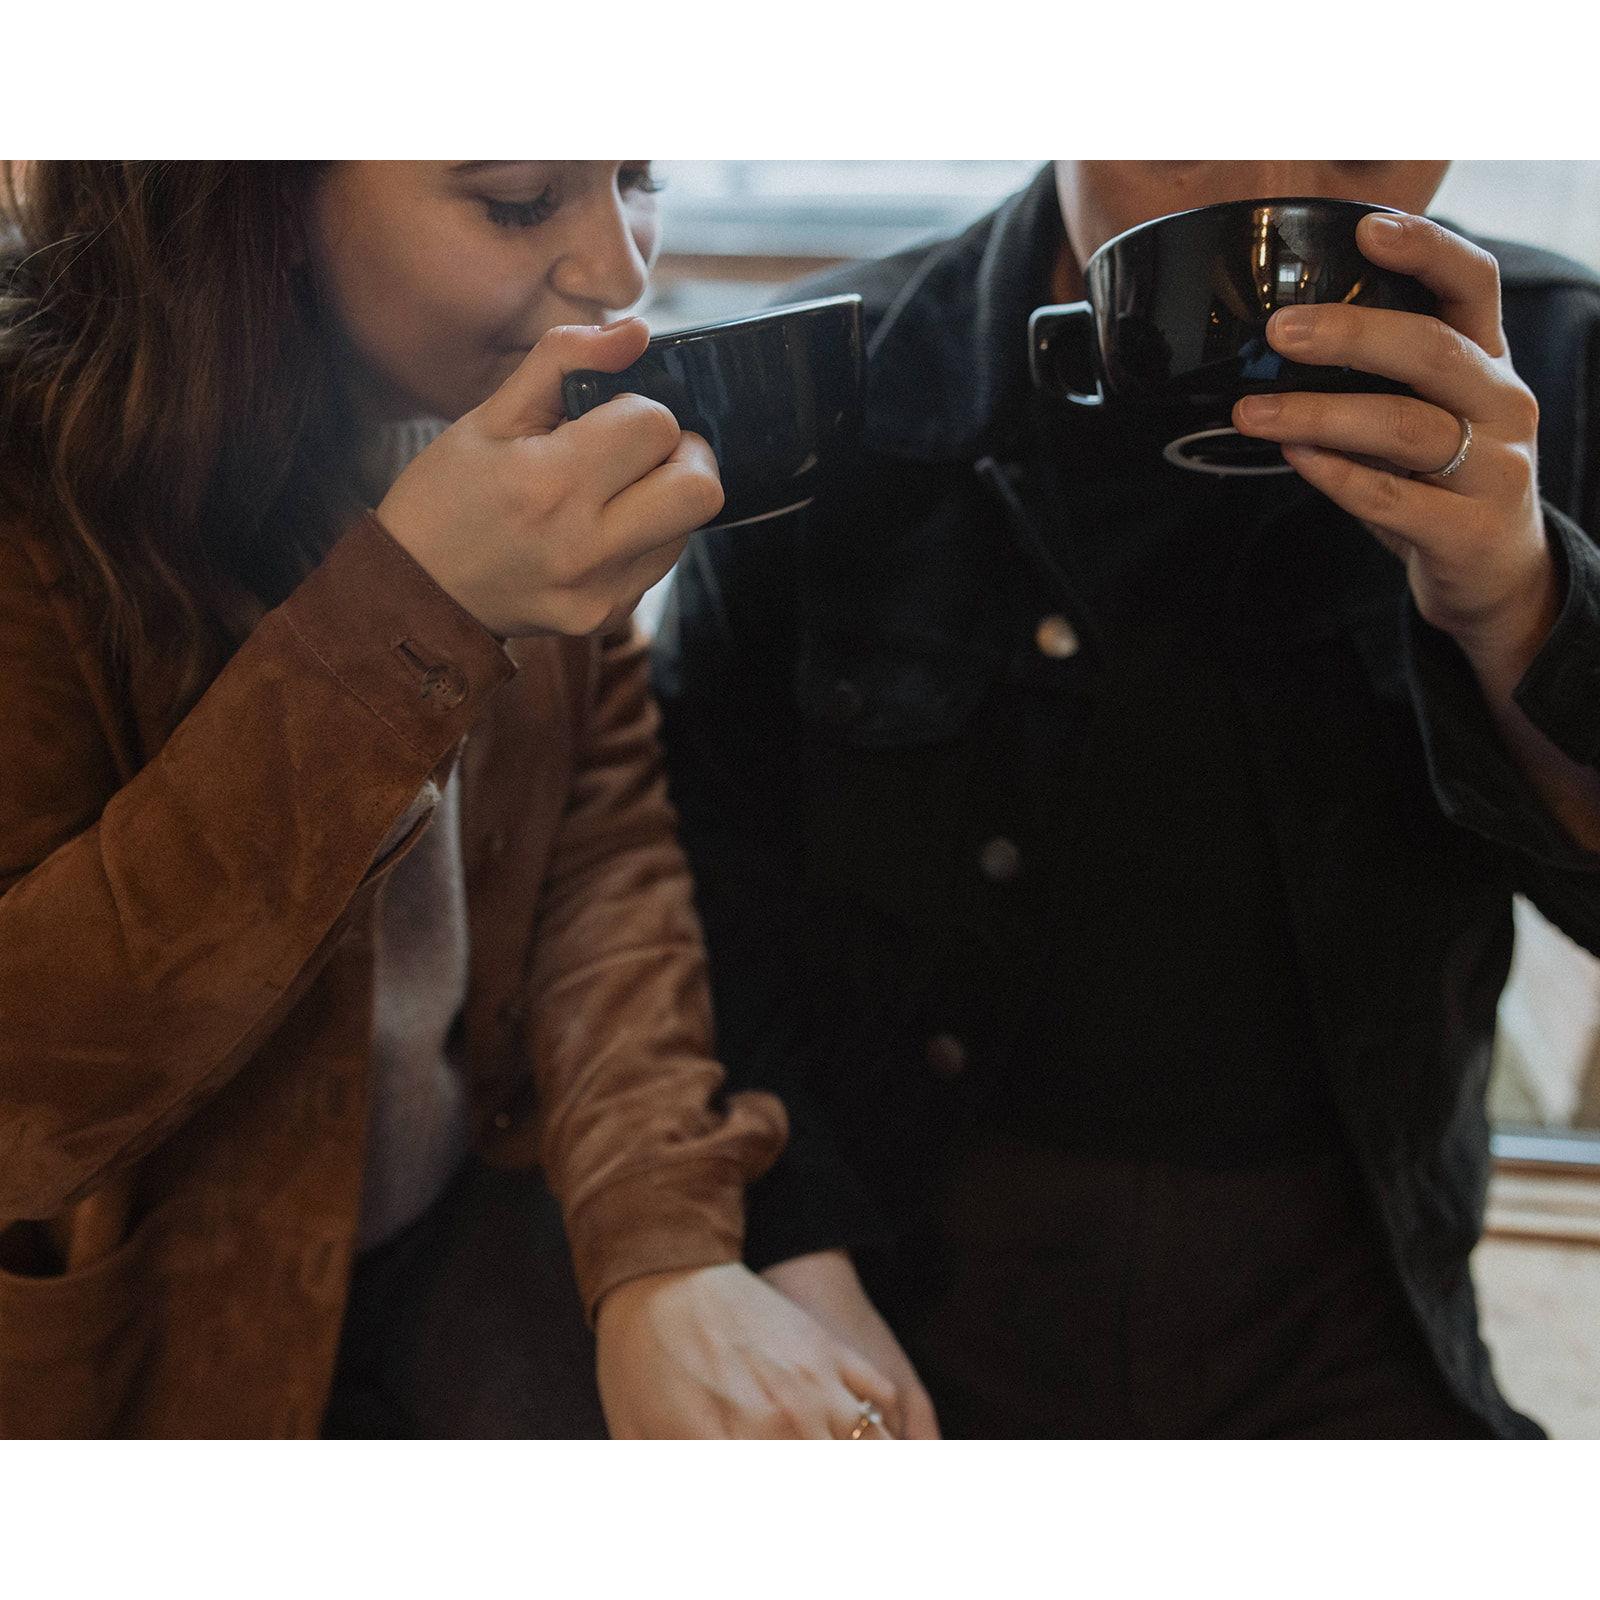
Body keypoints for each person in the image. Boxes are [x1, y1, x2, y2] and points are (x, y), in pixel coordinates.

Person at [654, 161, 1600, 1438]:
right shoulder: (835, 383)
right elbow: (695, 888)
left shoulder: (1555, 362)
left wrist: (1516, 600)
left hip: (1354, 1300)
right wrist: (792, 1244)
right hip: (912, 1272)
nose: (1276, 177)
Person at [0, 159, 905, 1439]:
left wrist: (663, 1247)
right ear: (255, 200)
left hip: (451, 1244)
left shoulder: (515, 423)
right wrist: (416, 611)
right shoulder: (40, 501)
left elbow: (601, 853)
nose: (619, 268)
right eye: (522, 201)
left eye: (636, 175)